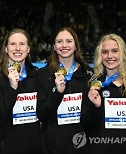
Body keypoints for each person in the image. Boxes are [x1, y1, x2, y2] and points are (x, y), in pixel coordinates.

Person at [36, 26, 93, 154]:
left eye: (69, 41)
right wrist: (58, 93)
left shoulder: (89, 74)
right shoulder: (43, 74)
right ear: (54, 47)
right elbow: (42, 115)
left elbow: (92, 119)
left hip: (81, 146)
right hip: (51, 146)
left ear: (76, 45)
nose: (64, 45)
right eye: (59, 41)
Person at [0, 28, 41, 154]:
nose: (17, 48)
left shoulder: (36, 75)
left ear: (28, 49)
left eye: (22, 44)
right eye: (13, 44)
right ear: (6, 48)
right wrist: (12, 88)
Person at [87, 34, 126, 154]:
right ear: (100, 55)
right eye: (105, 52)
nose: (110, 56)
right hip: (102, 148)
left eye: (115, 51)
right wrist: (96, 107)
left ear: (122, 53)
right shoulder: (93, 84)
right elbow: (87, 125)